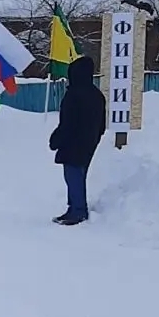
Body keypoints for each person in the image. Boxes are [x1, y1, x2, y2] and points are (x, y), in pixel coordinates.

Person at [48, 54, 105, 224]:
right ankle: (74, 208)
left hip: (73, 143)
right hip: (90, 142)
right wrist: (95, 137)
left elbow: (68, 122)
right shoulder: (97, 95)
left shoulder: (73, 95)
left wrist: (56, 139)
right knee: (79, 176)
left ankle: (78, 210)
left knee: (73, 176)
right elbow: (102, 123)